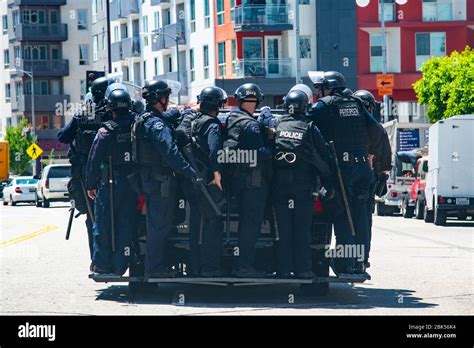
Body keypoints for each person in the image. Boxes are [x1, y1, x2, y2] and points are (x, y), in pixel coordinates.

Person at [306, 71, 384, 275]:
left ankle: (345, 263)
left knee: (343, 215)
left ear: (328, 88)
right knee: (361, 217)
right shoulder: (356, 103)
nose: (319, 93)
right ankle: (360, 262)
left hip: (344, 170)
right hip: (363, 169)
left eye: (320, 89)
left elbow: (304, 124)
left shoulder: (326, 105)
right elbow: (376, 130)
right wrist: (367, 151)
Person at [133, 80, 199, 278]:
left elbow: (165, 116)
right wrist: (190, 172)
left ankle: (156, 266)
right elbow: (170, 152)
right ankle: (154, 269)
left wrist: (184, 111)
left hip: (151, 179)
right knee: (159, 226)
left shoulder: (145, 117)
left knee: (158, 225)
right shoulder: (157, 125)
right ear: (159, 99)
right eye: (166, 97)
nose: (168, 100)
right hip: (159, 181)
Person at [272, 90, 332, 278]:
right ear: (305, 106)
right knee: (302, 230)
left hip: (280, 186)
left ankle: (282, 270)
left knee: (283, 230)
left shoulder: (277, 125)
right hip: (303, 187)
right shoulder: (309, 126)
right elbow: (324, 154)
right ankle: (303, 270)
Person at [57, 77, 112, 266]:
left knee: (93, 218)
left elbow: (63, 137)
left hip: (85, 175)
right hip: (111, 172)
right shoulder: (112, 112)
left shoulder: (82, 114)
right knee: (115, 215)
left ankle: (97, 260)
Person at [85, 86, 137, 276]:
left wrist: (90, 184)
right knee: (126, 224)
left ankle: (102, 265)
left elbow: (93, 159)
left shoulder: (105, 131)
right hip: (133, 184)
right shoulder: (136, 127)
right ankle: (120, 265)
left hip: (110, 184)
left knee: (103, 224)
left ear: (111, 108)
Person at [223, 83, 273, 278]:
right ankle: (243, 266)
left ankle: (239, 264)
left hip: (236, 180)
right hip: (253, 183)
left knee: (243, 224)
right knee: (250, 226)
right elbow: (260, 153)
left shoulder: (232, 119)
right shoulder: (251, 126)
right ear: (257, 100)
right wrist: (272, 150)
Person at [176, 87, 227, 277]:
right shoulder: (212, 125)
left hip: (191, 180)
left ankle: (194, 266)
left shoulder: (193, 122)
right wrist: (217, 175)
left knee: (196, 224)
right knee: (213, 222)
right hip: (206, 181)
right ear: (218, 105)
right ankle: (210, 268)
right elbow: (215, 151)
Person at [354, 90, 392, 269]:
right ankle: (361, 259)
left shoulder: (351, 127)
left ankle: (348, 259)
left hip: (347, 179)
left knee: (345, 220)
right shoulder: (378, 128)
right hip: (368, 181)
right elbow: (385, 164)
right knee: (364, 222)